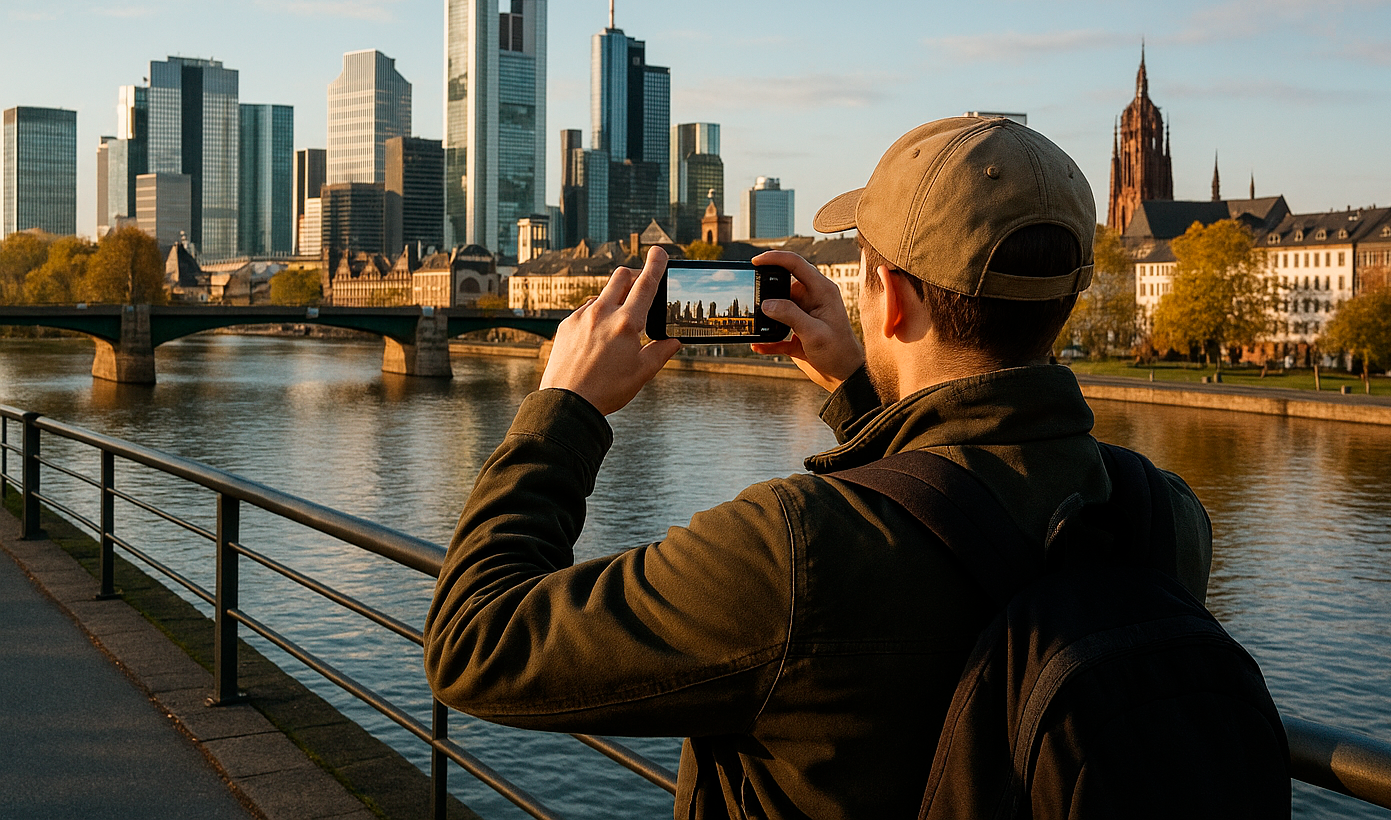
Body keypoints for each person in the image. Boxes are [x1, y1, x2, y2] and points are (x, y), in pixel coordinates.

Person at [424, 116, 1212, 820]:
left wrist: (566, 406)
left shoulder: (792, 546)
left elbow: (475, 647)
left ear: (889, 300)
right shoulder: (1164, 517)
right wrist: (863, 392)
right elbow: (963, 524)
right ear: (1069, 298)